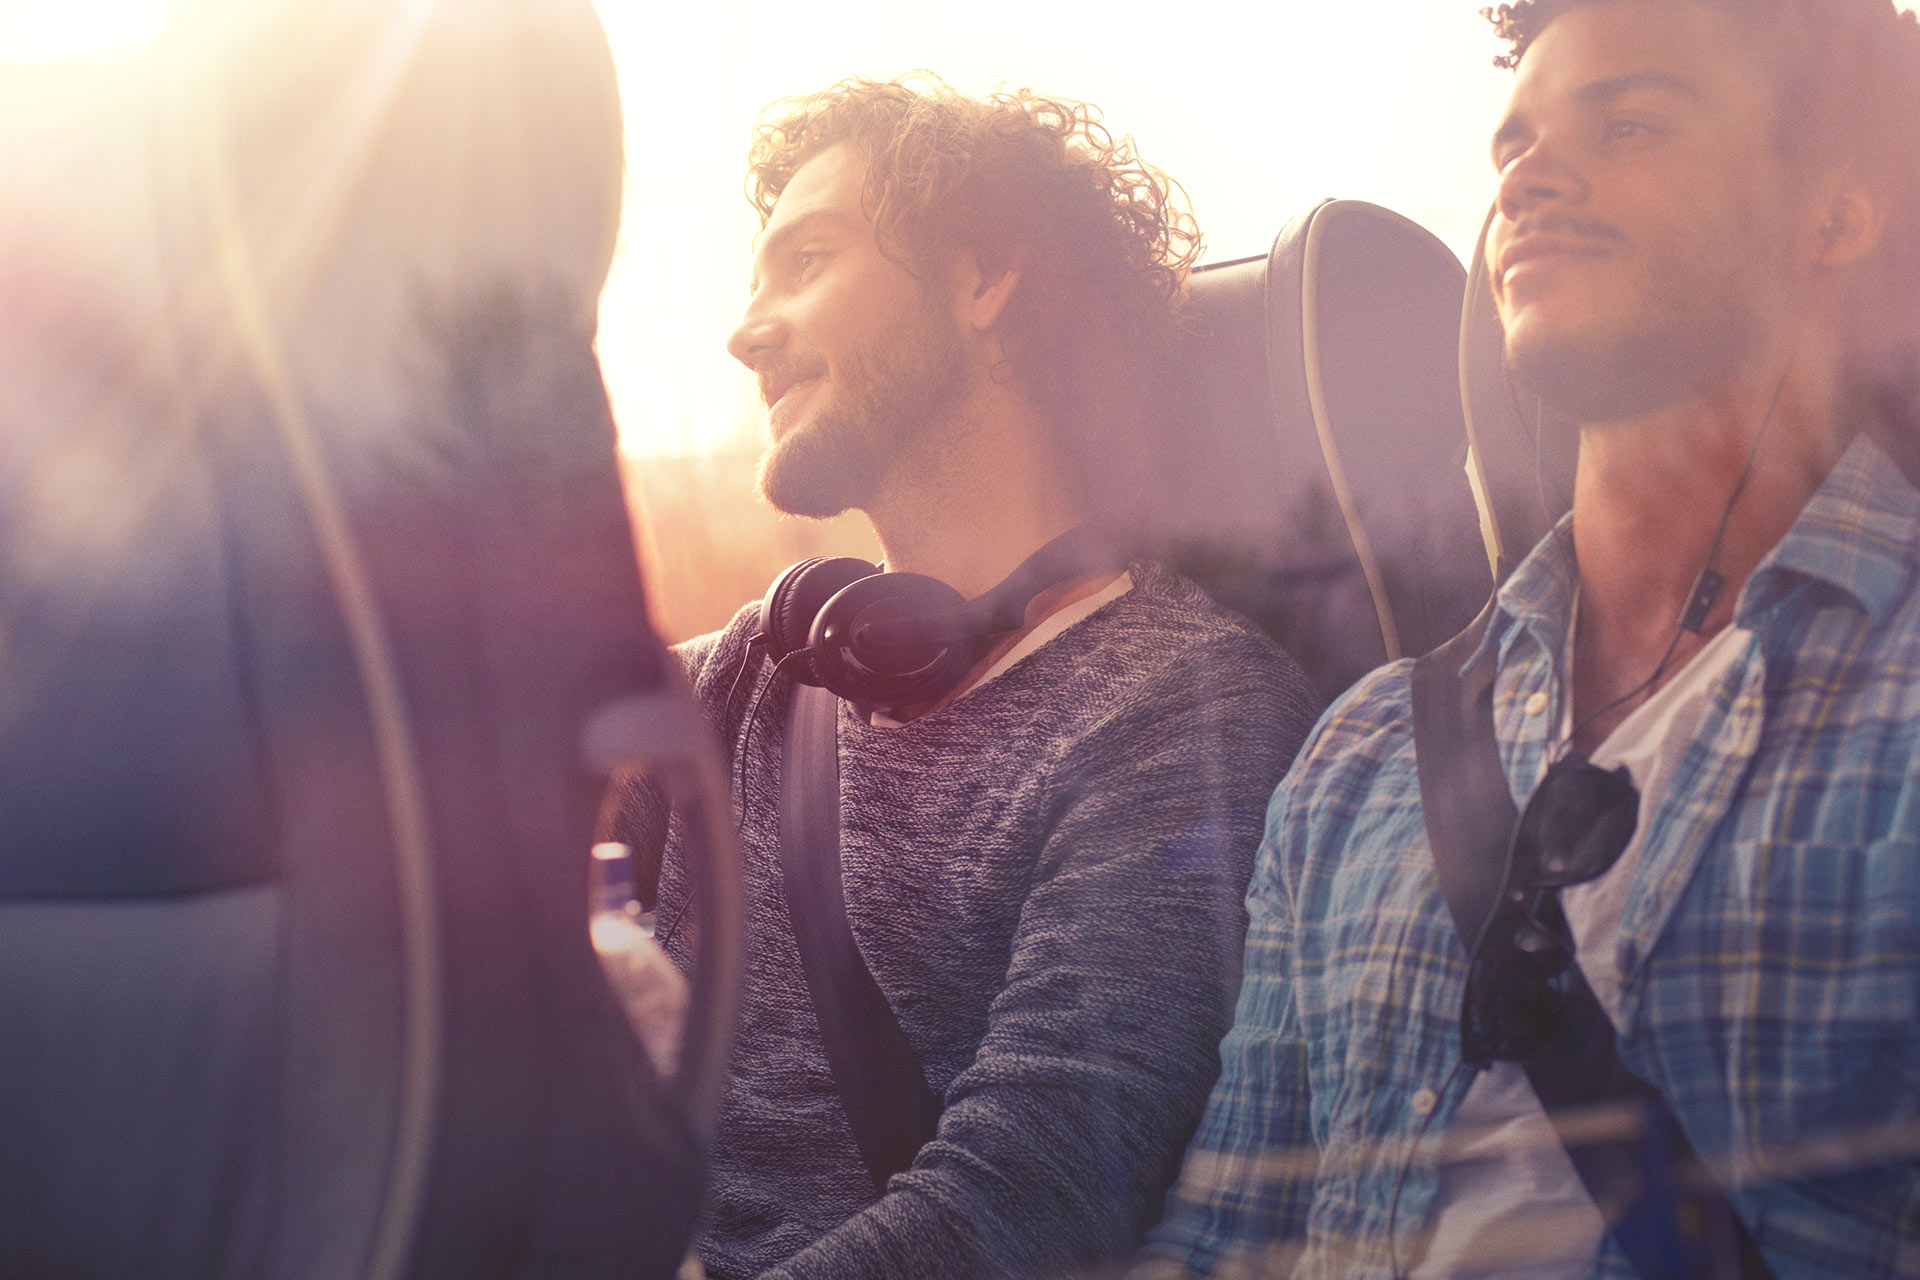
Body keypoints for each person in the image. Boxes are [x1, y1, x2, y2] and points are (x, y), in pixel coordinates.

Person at [1137, 0, 1920, 1276]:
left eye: (1629, 124)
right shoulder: (1363, 753)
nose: (1530, 182)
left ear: (1834, 211)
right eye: (1512, 150)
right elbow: (1222, 1236)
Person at [609, 75, 1320, 1280]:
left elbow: (1027, 1199)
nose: (746, 331)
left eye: (808, 259)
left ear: (984, 273)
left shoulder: (1181, 712)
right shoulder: (760, 666)